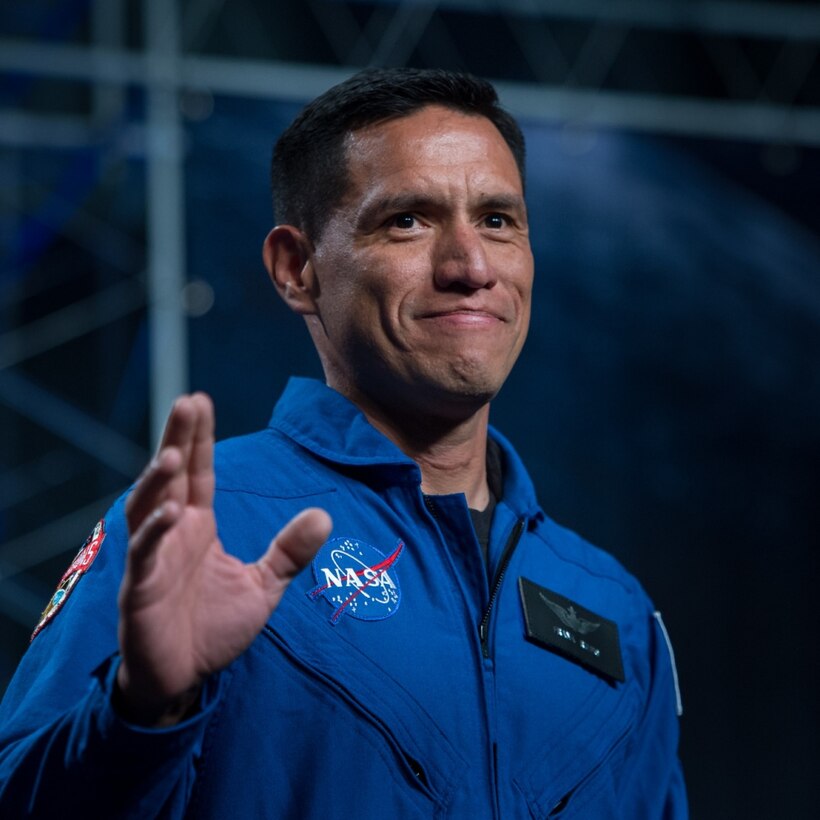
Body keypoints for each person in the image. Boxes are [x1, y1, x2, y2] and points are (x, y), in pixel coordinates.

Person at [0, 68, 686, 818]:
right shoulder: (210, 528)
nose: (470, 267)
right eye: (407, 221)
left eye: (497, 220)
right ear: (297, 270)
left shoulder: (614, 608)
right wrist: (141, 712)